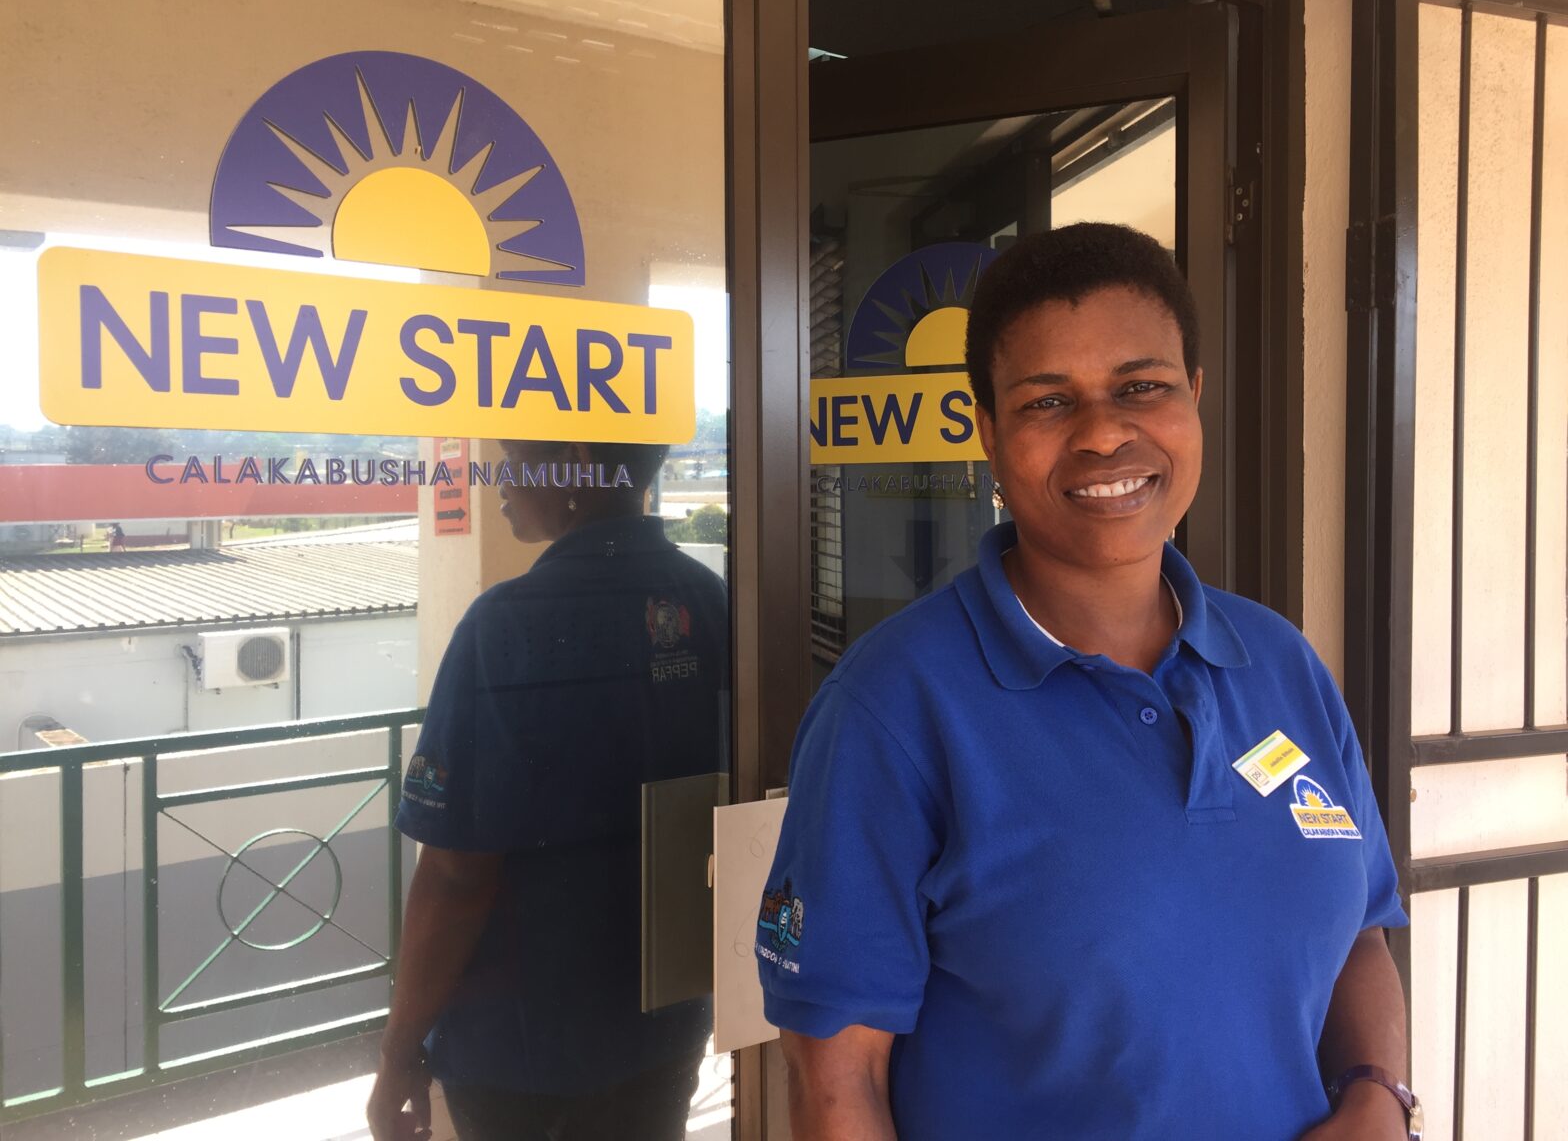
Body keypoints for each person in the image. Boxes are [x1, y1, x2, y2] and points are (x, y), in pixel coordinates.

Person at [755, 224, 1418, 1141]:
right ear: (989, 434)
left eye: (1141, 387)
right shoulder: (894, 708)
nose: (1104, 433)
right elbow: (838, 1082)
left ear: (1195, 397)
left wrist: (1379, 1095)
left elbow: (1359, 930)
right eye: (1047, 402)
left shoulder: (1280, 661)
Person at [368, 438, 728, 1141]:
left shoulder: (504, 625)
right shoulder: (710, 600)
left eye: (514, 460)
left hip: (521, 1047)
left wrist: (397, 1052)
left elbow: (455, 876)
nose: (499, 480)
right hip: (665, 1023)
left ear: (576, 465)